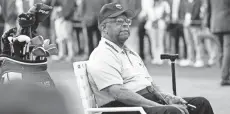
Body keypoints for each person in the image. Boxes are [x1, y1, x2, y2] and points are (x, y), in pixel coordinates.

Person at [87, 2, 214, 114]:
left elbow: (148, 85)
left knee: (200, 104)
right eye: (119, 22)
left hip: (144, 102)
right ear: (103, 27)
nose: (125, 25)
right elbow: (119, 93)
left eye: (127, 21)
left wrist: (167, 97)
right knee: (173, 111)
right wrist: (159, 106)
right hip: (124, 107)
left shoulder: (129, 52)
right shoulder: (102, 54)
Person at [206, 0, 230, 86]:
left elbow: (208, 10)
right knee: (227, 50)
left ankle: (224, 75)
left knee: (221, 50)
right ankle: (225, 77)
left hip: (215, 24)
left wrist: (208, 24)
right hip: (227, 23)